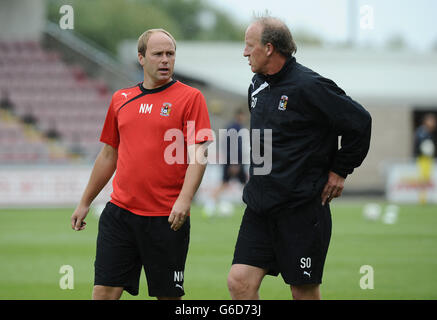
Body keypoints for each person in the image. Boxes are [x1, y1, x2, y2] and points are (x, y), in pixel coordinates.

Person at [227, 17, 372, 300]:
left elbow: (360, 122)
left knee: (303, 292)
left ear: (269, 48)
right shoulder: (256, 86)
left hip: (302, 210)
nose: (245, 52)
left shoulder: (310, 86)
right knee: (239, 282)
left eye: (249, 45)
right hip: (259, 208)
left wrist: (340, 170)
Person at [70, 29, 212, 300]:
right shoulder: (120, 100)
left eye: (170, 54)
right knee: (103, 293)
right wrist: (85, 201)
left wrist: (185, 199)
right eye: (157, 54)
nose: (165, 60)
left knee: (168, 297)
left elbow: (199, 153)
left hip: (166, 218)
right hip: (120, 215)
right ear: (141, 58)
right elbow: (108, 155)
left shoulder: (191, 98)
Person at [203, 108, 248, 217]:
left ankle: (210, 204)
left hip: (232, 160)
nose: (244, 118)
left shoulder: (233, 127)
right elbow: (231, 147)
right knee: (229, 183)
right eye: (243, 116)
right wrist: (234, 162)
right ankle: (210, 204)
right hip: (233, 161)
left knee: (239, 184)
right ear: (239, 116)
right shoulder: (235, 128)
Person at [413, 113, 436, 204]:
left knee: (426, 178)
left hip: (428, 158)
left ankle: (424, 198)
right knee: (423, 178)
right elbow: (418, 145)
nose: (433, 123)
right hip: (422, 158)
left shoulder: (430, 133)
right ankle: (422, 198)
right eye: (431, 121)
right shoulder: (421, 132)